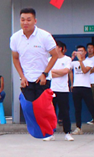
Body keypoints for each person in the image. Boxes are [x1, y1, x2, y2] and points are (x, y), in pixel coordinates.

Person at [10, 8, 61, 141]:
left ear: (35, 21)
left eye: (28, 19)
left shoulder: (44, 36)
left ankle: (50, 130)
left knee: (43, 108)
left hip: (42, 78)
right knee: (27, 107)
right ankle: (38, 132)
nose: (25, 22)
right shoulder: (15, 38)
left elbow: (55, 55)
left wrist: (45, 73)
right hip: (27, 78)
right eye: (22, 19)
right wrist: (22, 76)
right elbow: (15, 58)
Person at [70, 45, 94, 136]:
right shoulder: (74, 63)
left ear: (85, 52)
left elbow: (85, 71)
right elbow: (68, 69)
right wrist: (72, 58)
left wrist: (80, 60)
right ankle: (78, 127)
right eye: (78, 51)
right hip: (77, 87)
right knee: (77, 108)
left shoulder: (89, 61)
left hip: (86, 87)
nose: (79, 53)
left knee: (91, 107)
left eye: (81, 51)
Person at [50, 40, 73, 141]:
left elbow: (65, 71)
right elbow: (48, 74)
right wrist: (55, 73)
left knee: (65, 112)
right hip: (52, 90)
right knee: (51, 112)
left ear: (60, 48)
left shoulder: (67, 59)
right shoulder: (49, 60)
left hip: (63, 90)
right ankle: (50, 133)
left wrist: (53, 71)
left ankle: (67, 132)